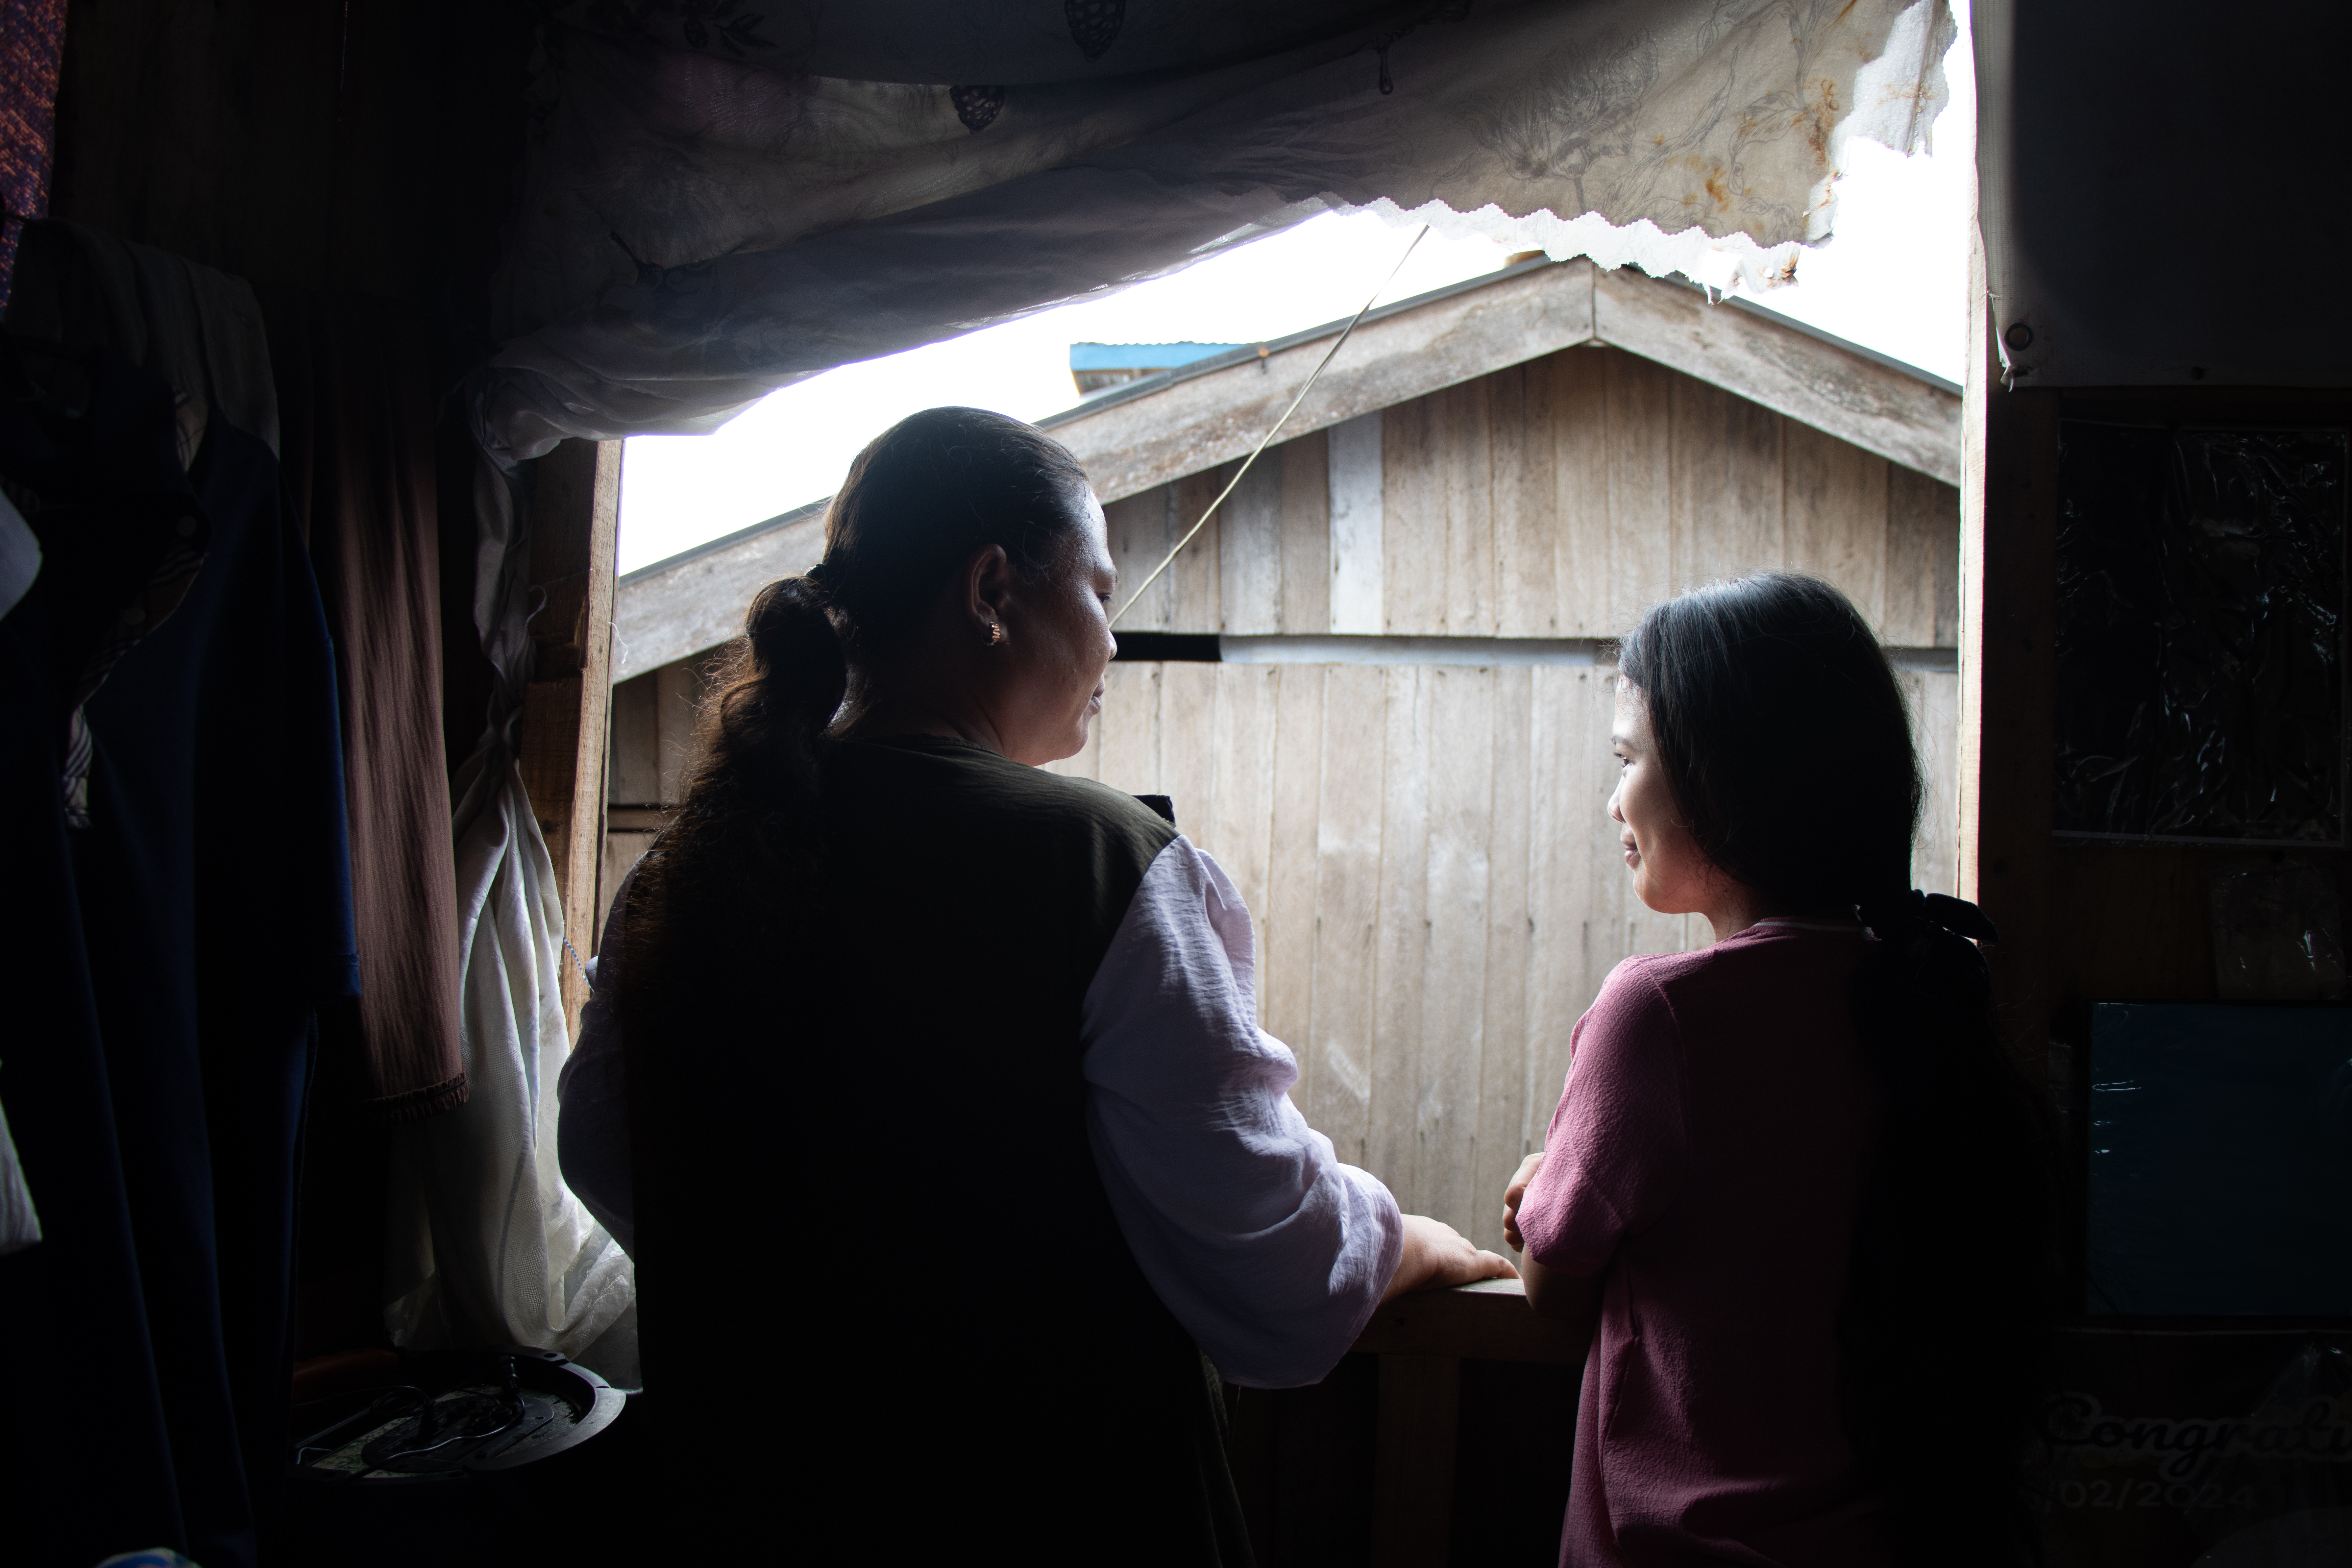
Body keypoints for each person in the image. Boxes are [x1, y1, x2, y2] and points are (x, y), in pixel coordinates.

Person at [558, 407, 1512, 1561]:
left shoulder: (688, 860)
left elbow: (607, 1153)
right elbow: (1280, 1281)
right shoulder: (1107, 867)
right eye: (1100, 593)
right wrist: (1409, 1240)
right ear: (992, 590)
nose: (1112, 640)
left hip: (753, 1508)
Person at [1500, 574, 2056, 1568]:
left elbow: (1551, 1290)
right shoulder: (1937, 992)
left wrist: (1552, 1179)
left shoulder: (1659, 1015)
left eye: (1629, 760)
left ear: (1725, 778)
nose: (1613, 799)